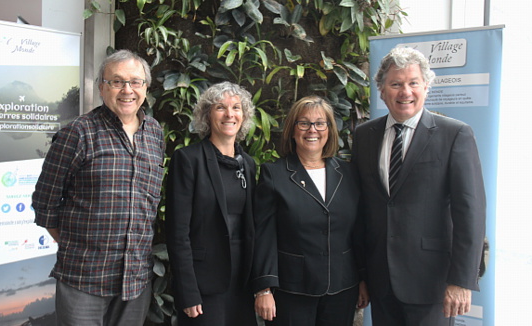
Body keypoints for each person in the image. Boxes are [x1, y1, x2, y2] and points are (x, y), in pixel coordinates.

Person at [351, 47, 486, 326]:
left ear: (426, 87)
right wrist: (362, 274)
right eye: (396, 84)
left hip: (432, 282)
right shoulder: (364, 136)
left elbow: (470, 212)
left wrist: (461, 280)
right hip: (381, 280)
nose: (405, 92)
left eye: (413, 83)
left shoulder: (455, 134)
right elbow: (362, 210)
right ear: (382, 90)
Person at [32, 49, 165, 326]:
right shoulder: (77, 133)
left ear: (145, 88)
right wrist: (79, 245)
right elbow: (45, 202)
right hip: (84, 279)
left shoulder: (154, 133)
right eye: (116, 82)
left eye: (135, 82)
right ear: (102, 88)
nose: (127, 90)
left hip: (135, 282)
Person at [252, 95, 369, 326]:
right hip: (291, 291)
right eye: (303, 123)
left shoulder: (349, 174)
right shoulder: (273, 174)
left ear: (329, 129)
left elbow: (358, 232)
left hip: (342, 289)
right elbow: (263, 235)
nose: (312, 130)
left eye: (320, 123)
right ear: (292, 130)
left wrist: (363, 278)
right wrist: (263, 288)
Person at [165, 82, 258, 325]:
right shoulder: (188, 160)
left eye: (236, 108)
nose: (230, 114)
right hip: (204, 285)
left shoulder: (247, 164)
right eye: (220, 107)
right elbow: (177, 232)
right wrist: (187, 290)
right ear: (207, 115)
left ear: (244, 116)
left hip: (242, 283)